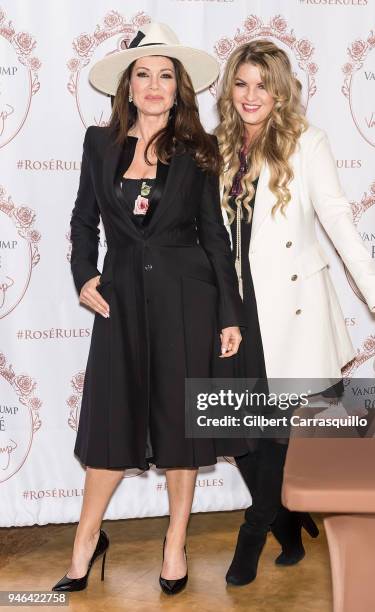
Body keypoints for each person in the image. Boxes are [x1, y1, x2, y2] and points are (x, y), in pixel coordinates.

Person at [215, 39, 375, 586]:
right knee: (239, 431)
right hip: (235, 314)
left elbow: (338, 220)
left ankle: (254, 530)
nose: (250, 94)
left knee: (283, 434)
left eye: (262, 84)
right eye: (241, 83)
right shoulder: (216, 147)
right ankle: (287, 517)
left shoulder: (307, 143)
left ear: (281, 90)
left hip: (295, 311)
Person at [52, 22, 247, 596]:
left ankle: (175, 543)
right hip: (119, 306)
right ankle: (86, 541)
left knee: (180, 425)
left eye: (166, 76)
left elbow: (216, 238)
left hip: (187, 303)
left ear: (178, 87)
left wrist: (229, 314)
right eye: (145, 75)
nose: (155, 85)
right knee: (113, 423)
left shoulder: (199, 151)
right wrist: (84, 273)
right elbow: (83, 219)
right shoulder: (98, 142)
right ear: (128, 87)